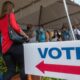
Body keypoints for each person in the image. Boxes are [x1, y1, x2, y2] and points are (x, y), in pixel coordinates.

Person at [0, 1, 29, 80]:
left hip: (5, 49)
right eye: (13, 8)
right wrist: (25, 35)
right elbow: (15, 27)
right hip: (14, 45)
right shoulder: (10, 15)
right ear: (10, 8)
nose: (13, 10)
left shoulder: (0, 19)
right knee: (23, 66)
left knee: (11, 71)